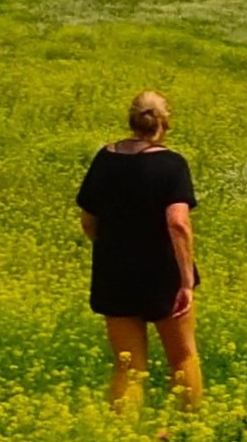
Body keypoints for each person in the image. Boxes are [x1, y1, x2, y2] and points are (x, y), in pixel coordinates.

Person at [75, 90, 204, 414]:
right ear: (164, 123)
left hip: (114, 272)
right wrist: (186, 282)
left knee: (128, 366)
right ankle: (189, 430)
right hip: (163, 273)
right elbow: (178, 223)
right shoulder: (171, 164)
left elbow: (89, 221)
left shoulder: (105, 158)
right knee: (183, 356)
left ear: (132, 119)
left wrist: (111, 249)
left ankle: (121, 439)